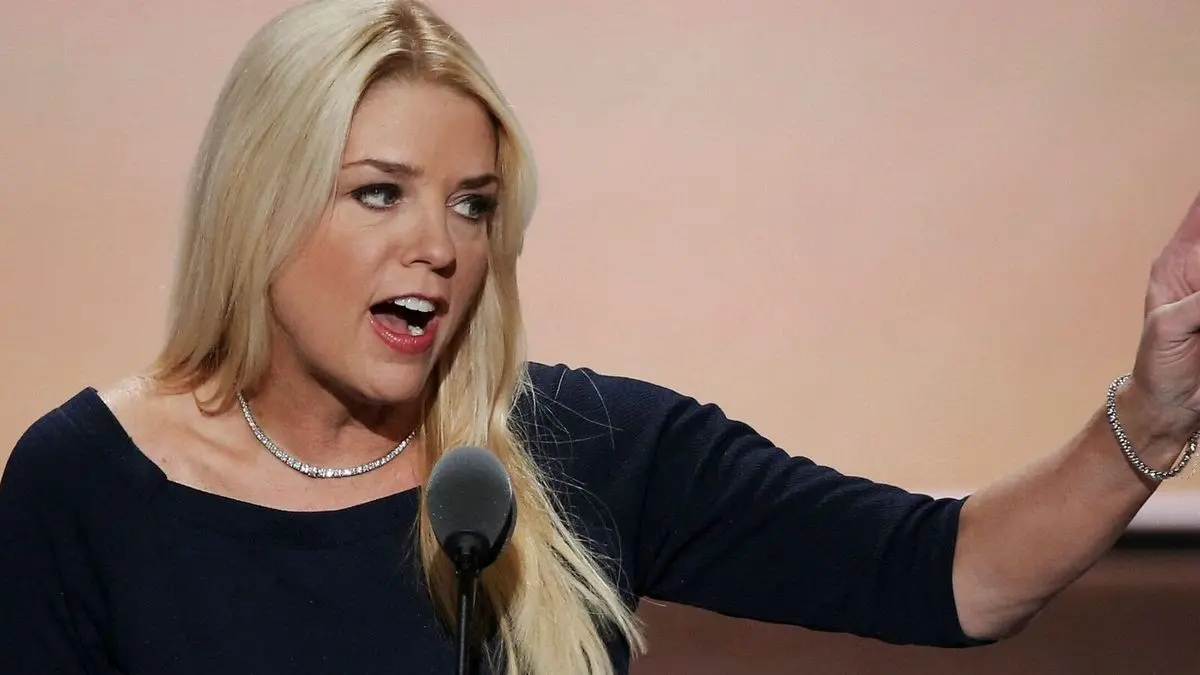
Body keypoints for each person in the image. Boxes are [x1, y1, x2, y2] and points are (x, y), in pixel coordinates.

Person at [2, 0, 1198, 673]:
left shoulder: (584, 450)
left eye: (473, 206)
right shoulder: (84, 484)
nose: (440, 247)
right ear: (256, 203)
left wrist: (1152, 418)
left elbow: (954, 574)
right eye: (379, 193)